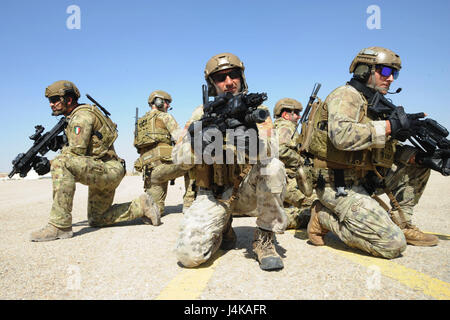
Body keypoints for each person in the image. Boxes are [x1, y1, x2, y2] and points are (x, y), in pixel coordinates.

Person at [305, 47, 440, 259]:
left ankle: (403, 223)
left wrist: (421, 157)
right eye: (385, 72)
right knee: (392, 245)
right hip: (338, 184)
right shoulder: (346, 95)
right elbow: (342, 136)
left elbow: (388, 151)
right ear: (363, 70)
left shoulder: (374, 104)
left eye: (394, 73)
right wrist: (389, 126)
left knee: (420, 166)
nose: (391, 79)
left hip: (366, 180)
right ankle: (322, 215)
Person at [173, 53, 288, 271]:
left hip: (247, 190)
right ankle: (223, 228)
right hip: (214, 195)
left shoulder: (254, 112)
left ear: (242, 78)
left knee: (273, 167)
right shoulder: (200, 113)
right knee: (188, 256)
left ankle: (264, 238)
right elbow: (177, 157)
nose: (228, 82)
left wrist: (250, 142)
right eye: (221, 78)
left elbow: (273, 149)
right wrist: (199, 146)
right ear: (211, 84)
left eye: (233, 75)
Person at [30, 80, 161, 242]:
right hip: (106, 168)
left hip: (107, 169)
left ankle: (59, 226)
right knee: (98, 218)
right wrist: (59, 142)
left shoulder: (81, 117)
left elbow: (76, 153)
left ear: (68, 100)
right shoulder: (79, 115)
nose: (51, 104)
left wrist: (48, 164)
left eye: (55, 100)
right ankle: (142, 205)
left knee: (60, 163)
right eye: (50, 101)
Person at [134, 90, 192, 215]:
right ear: (158, 102)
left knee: (155, 210)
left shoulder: (140, 123)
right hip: (164, 167)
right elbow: (181, 140)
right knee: (195, 161)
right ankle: (189, 205)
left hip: (149, 173)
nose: (168, 106)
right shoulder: (165, 116)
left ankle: (140, 209)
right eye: (166, 102)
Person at [273, 98, 317, 229]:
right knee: (316, 205)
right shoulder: (285, 127)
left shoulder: (278, 126)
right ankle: (283, 219)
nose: (298, 116)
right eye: (296, 113)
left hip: (281, 180)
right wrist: (301, 161)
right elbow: (280, 150)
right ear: (286, 115)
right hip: (286, 180)